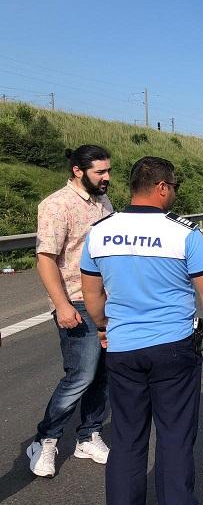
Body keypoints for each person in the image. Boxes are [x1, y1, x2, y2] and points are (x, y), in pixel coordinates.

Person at [80, 156, 203, 505]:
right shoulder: (183, 233)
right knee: (175, 435)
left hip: (123, 347)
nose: (174, 193)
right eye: (174, 186)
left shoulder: (99, 231)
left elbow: (91, 292)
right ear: (162, 187)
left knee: (128, 436)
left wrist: (102, 327)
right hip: (173, 347)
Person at [27, 145, 113, 478]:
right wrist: (61, 305)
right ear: (78, 170)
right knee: (80, 375)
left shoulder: (103, 202)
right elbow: (45, 258)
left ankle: (88, 435)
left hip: (105, 300)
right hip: (76, 300)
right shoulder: (56, 205)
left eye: (108, 171)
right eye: (100, 172)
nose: (106, 178)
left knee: (103, 373)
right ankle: (45, 439)